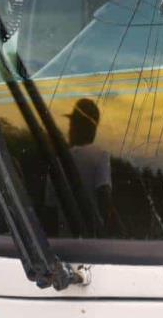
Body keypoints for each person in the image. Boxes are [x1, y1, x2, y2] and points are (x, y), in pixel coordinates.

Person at [64, 98, 120, 235]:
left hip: (60, 247)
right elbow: (104, 200)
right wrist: (120, 235)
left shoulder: (58, 160)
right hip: (90, 244)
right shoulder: (100, 156)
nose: (70, 128)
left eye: (73, 123)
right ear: (93, 130)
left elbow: (49, 212)